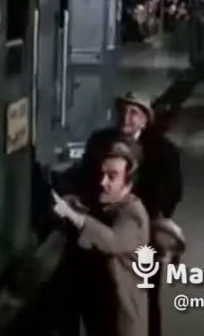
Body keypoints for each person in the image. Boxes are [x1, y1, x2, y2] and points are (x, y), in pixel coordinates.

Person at [78, 92, 183, 336]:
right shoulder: (99, 142)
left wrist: (151, 219)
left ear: (145, 120)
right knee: (101, 300)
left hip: (142, 239)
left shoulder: (164, 150)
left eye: (134, 113)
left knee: (143, 301)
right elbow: (85, 178)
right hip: (103, 233)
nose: (126, 117)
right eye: (123, 111)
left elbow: (173, 191)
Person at [52, 140, 149, 336]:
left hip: (122, 320)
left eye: (112, 176)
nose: (102, 182)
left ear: (128, 182)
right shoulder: (115, 207)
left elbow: (111, 241)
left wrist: (73, 215)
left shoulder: (134, 214)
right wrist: (77, 208)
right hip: (106, 315)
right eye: (102, 175)